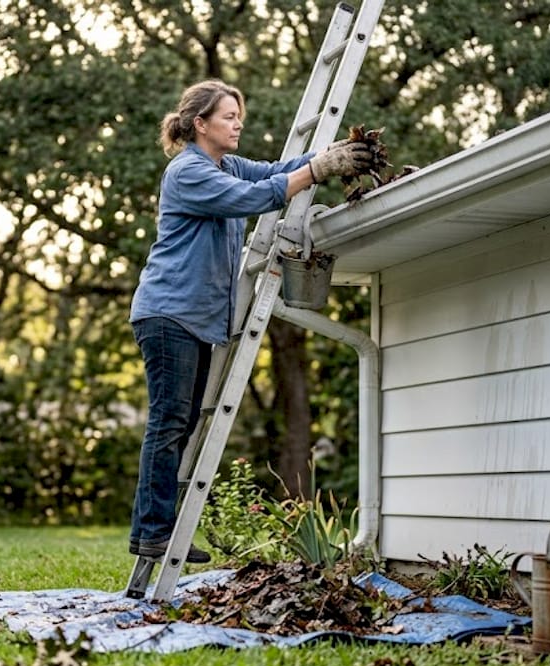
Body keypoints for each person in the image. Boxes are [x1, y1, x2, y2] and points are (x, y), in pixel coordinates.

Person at [127, 79, 372, 562]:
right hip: (169, 311)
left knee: (180, 424)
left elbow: (278, 172)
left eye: (239, 115)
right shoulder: (188, 171)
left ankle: (158, 529)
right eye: (228, 116)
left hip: (194, 318)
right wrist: (317, 169)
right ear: (200, 124)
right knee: (169, 422)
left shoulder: (228, 165)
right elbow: (254, 199)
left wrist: (330, 157)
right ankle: (153, 531)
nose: (238, 123)